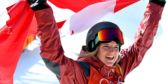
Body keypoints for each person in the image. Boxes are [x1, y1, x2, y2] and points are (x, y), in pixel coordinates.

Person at [27, 0, 166, 84]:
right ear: (94, 48)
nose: (112, 51)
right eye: (106, 46)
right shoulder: (81, 73)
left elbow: (140, 46)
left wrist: (156, 4)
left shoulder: (118, 68)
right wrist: (41, 8)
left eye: (116, 47)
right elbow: (53, 59)